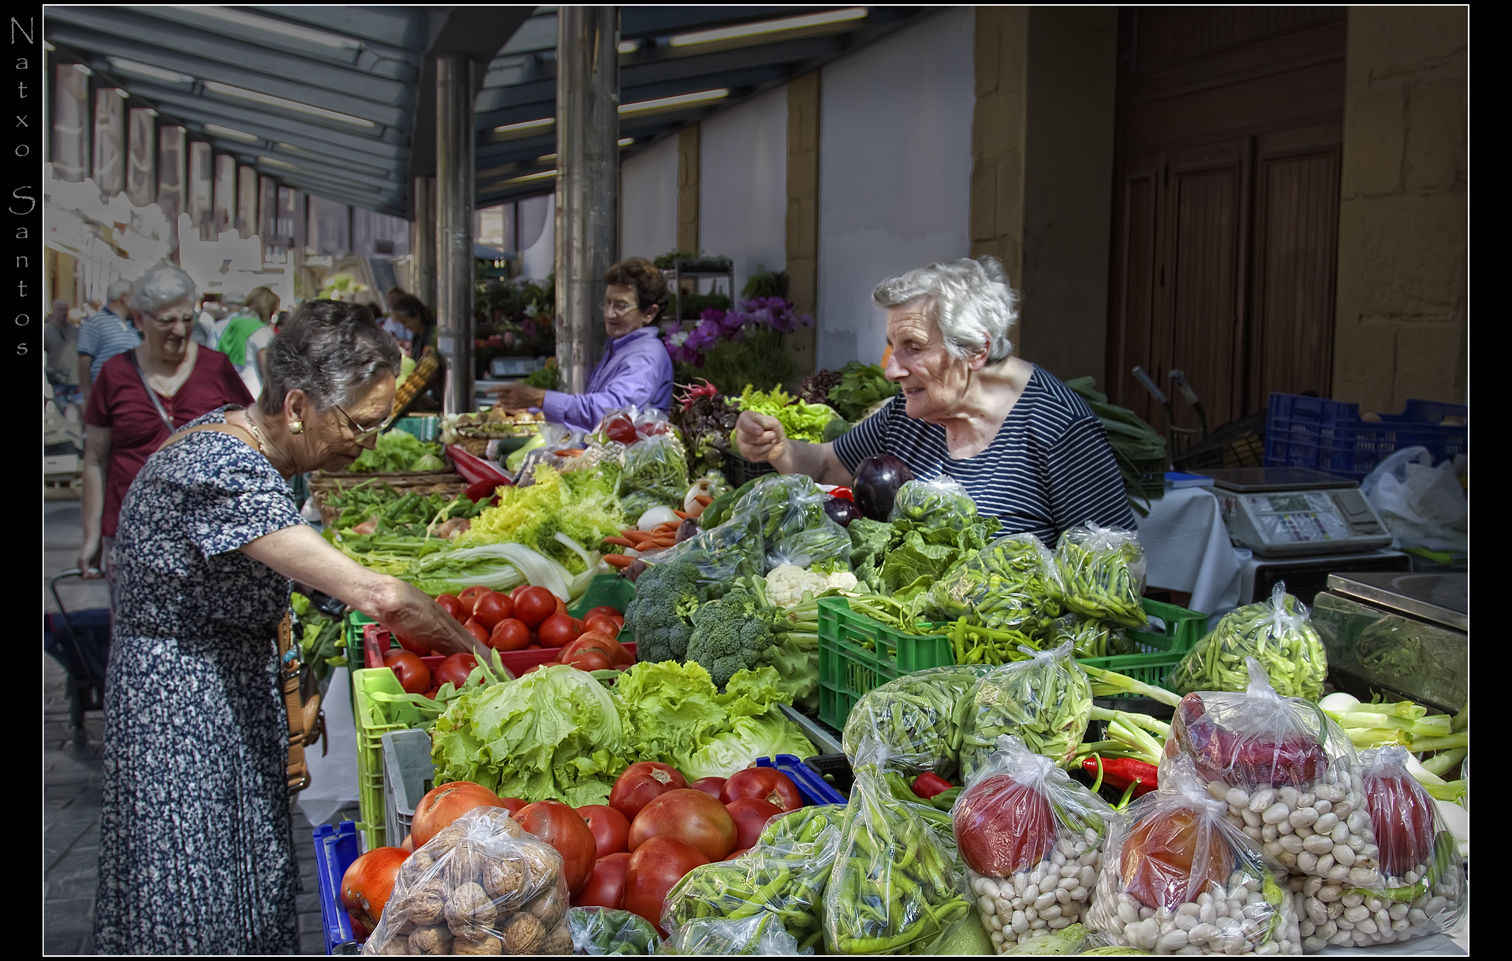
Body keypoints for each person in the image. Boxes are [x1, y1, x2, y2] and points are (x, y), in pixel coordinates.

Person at [92, 300, 485, 955]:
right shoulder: (223, 469)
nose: (368, 441)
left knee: (238, 876)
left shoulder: (239, 437)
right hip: (183, 709)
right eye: (360, 423)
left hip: (221, 688)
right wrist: (481, 653)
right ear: (298, 405)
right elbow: (381, 598)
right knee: (198, 893)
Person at [734, 256, 1135, 547]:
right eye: (892, 346)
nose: (892, 369)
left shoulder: (1058, 428)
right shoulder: (910, 413)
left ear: (975, 350)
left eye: (913, 347)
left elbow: (1117, 570)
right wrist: (778, 448)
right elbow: (827, 465)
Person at [78, 264, 256, 604]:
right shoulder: (115, 374)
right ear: (139, 318)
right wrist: (92, 536)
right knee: (137, 627)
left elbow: (252, 436)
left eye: (187, 319)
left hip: (207, 533)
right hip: (132, 533)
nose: (180, 330)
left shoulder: (215, 367)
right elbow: (94, 459)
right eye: (167, 321)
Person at [489, 257, 674, 432]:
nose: (609, 313)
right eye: (608, 303)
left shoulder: (646, 355)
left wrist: (540, 399)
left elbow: (611, 414)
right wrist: (531, 409)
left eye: (621, 305)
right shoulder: (622, 348)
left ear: (649, 313)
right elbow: (591, 416)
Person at [77, 279, 143, 404]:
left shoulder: (131, 327)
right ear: (124, 298)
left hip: (130, 396)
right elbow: (84, 361)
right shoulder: (95, 322)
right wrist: (88, 398)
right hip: (106, 396)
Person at [213, 288, 280, 400]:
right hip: (254, 394)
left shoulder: (232, 325)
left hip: (231, 392)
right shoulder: (262, 331)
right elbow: (268, 370)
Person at [45, 298, 80, 384]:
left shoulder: (75, 331)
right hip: (56, 378)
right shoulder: (46, 332)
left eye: (65, 309)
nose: (63, 312)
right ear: (53, 311)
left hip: (75, 378)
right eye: (60, 309)